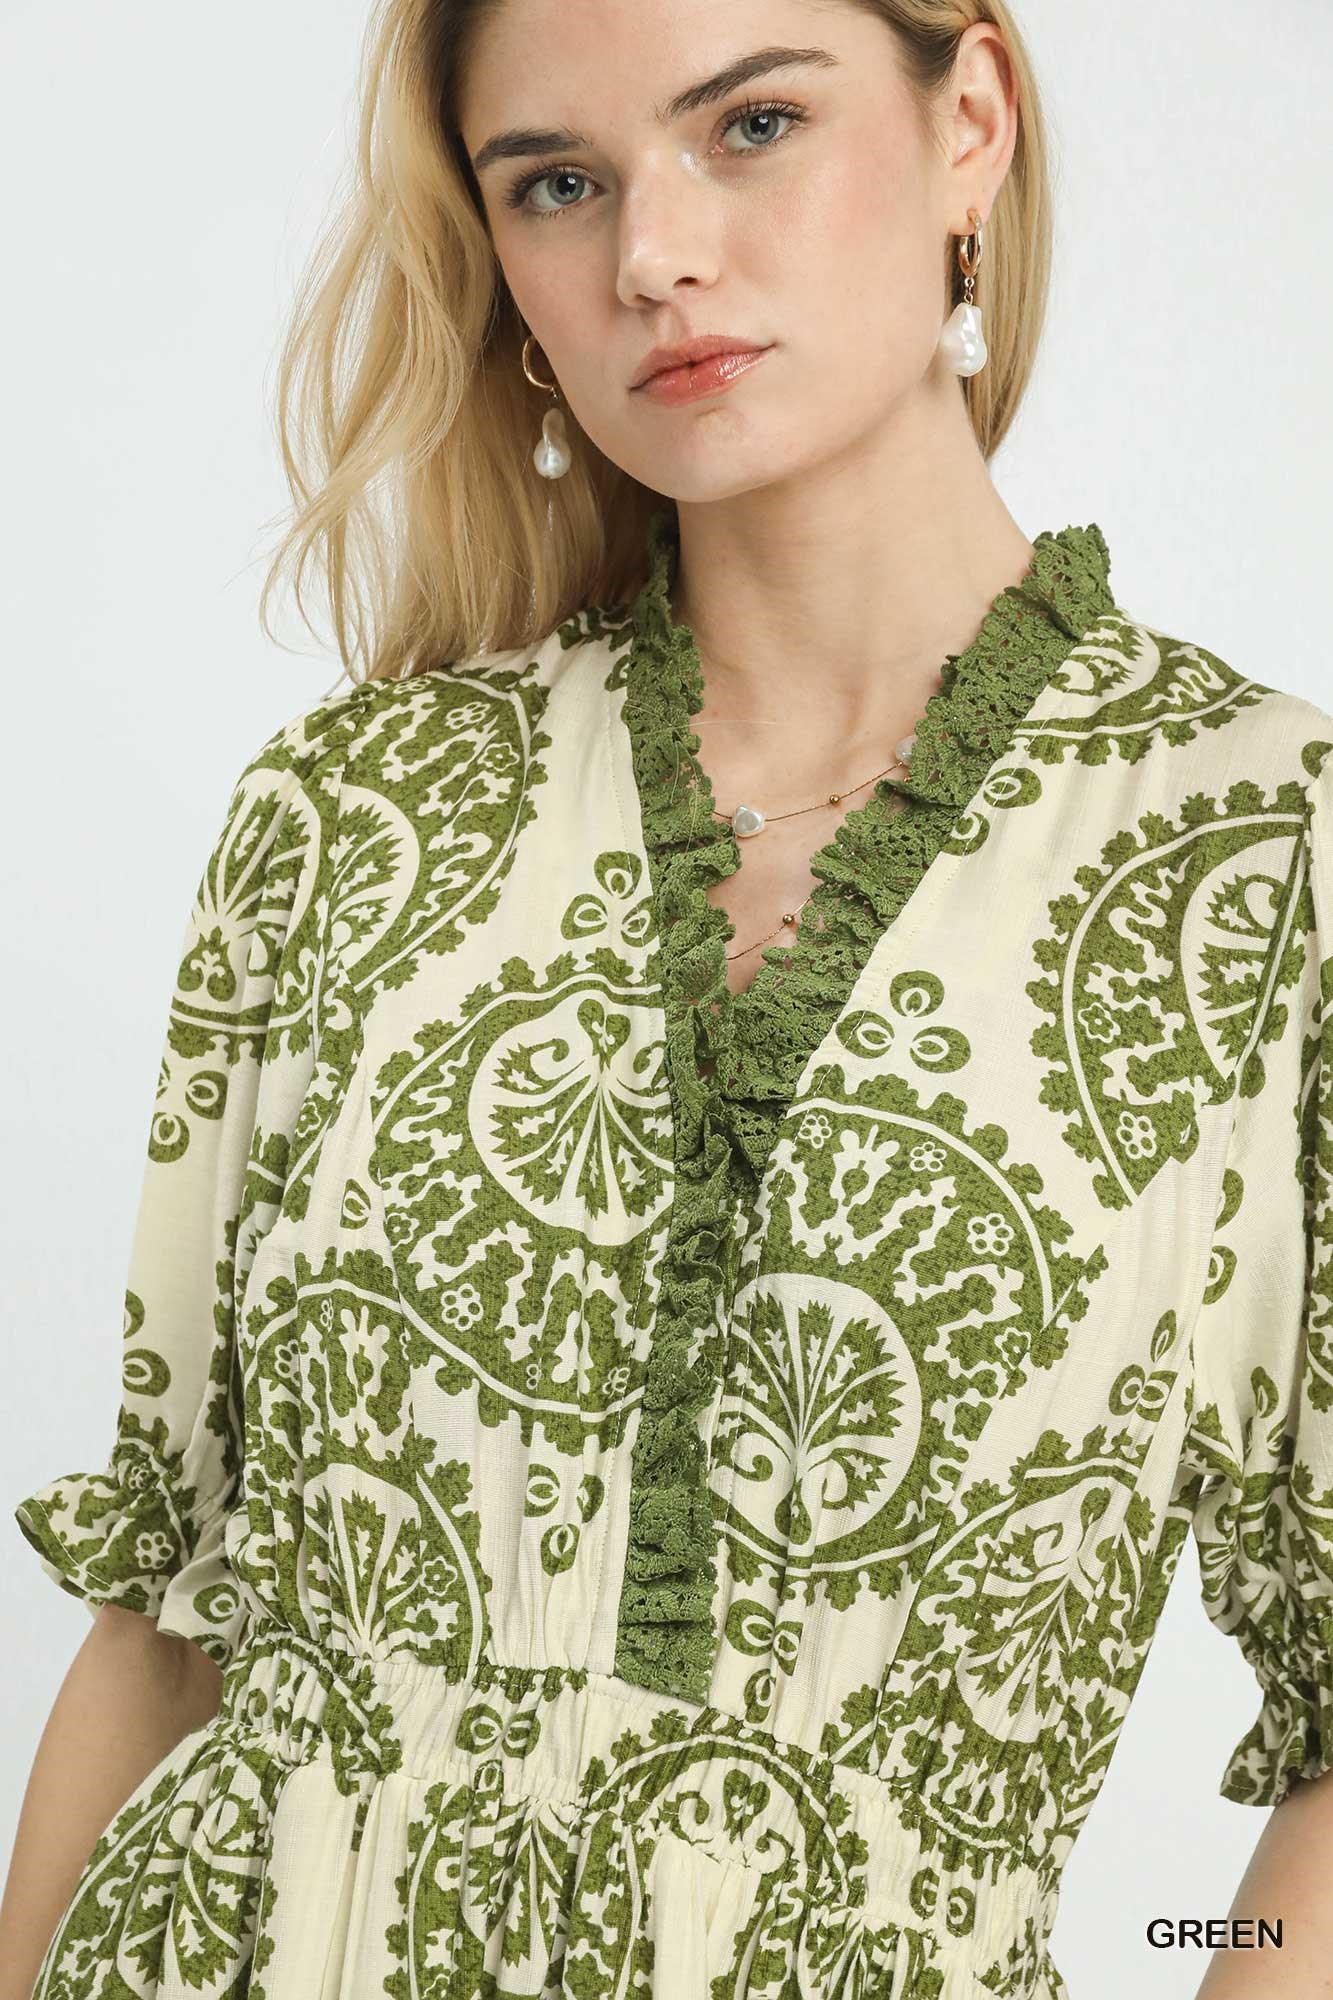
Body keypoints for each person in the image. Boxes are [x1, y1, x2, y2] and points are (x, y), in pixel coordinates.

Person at [6, 2, 1333, 1996]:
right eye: (558, 182)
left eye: (753, 126)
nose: (653, 254)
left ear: (969, 122)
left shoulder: (1266, 859)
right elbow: (160, 1631)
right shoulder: (351, 817)